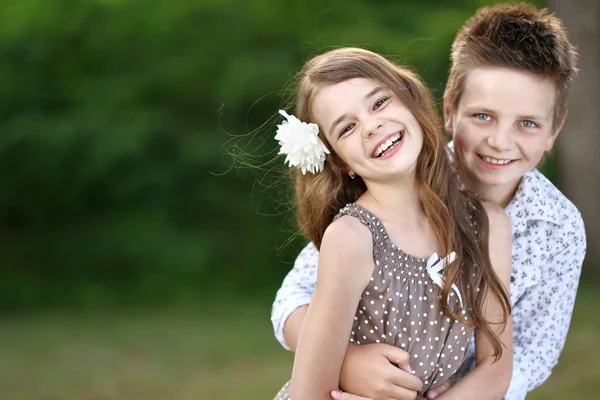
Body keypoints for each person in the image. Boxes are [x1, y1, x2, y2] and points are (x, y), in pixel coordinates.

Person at [271, 3, 586, 400]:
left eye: (527, 123)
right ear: (449, 112)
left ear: (553, 132)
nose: (500, 142)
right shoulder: (391, 189)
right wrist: (348, 362)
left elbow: (529, 355)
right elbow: (295, 298)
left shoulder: (542, 226)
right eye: (483, 116)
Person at [270, 47, 513, 400]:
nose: (372, 126)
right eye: (347, 127)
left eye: (379, 103)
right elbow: (309, 393)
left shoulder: (487, 225)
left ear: (410, 102)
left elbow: (497, 365)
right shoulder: (352, 238)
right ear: (341, 163)